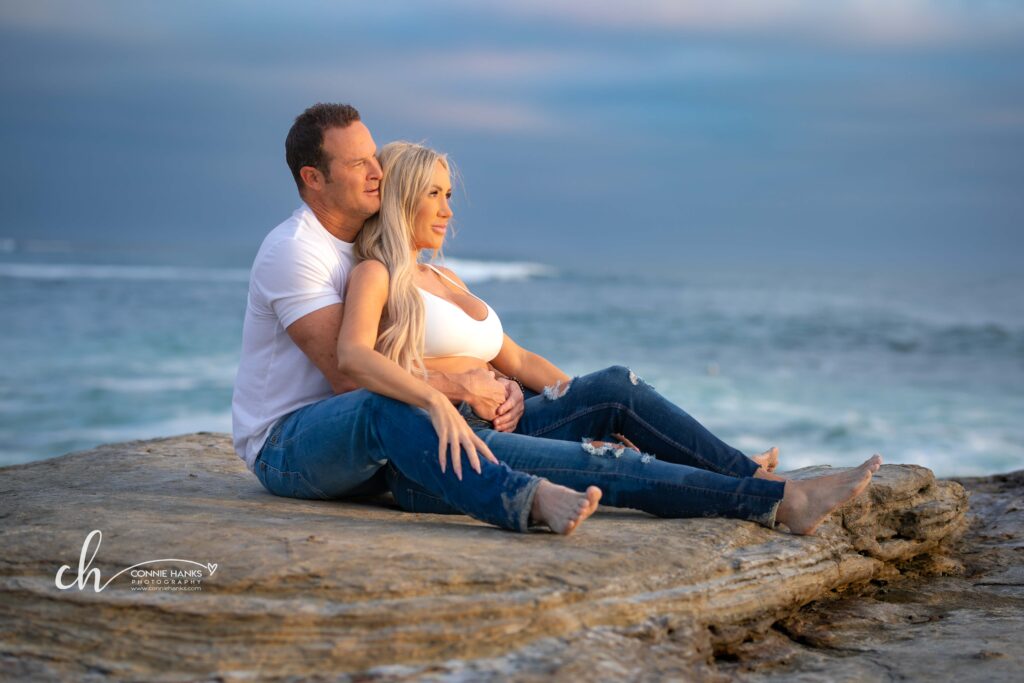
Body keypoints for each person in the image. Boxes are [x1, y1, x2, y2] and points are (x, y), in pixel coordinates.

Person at [335, 140, 883, 535]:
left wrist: (582, 403)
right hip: (447, 448)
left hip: (517, 414)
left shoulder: (448, 277)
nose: (448, 209)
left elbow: (519, 358)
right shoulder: (377, 274)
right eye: (435, 193)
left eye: (449, 193)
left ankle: (745, 470)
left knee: (616, 386)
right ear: (404, 195)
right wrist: (459, 388)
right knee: (608, 462)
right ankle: (783, 501)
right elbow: (355, 362)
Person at [232, 103, 601, 535]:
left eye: (373, 157)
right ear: (313, 179)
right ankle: (525, 498)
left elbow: (447, 351)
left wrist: (504, 385)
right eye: (357, 164)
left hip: (376, 441)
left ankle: (626, 468)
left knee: (561, 404)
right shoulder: (296, 251)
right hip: (291, 445)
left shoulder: (368, 249)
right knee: (387, 402)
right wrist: (457, 387)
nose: (377, 171)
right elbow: (353, 377)